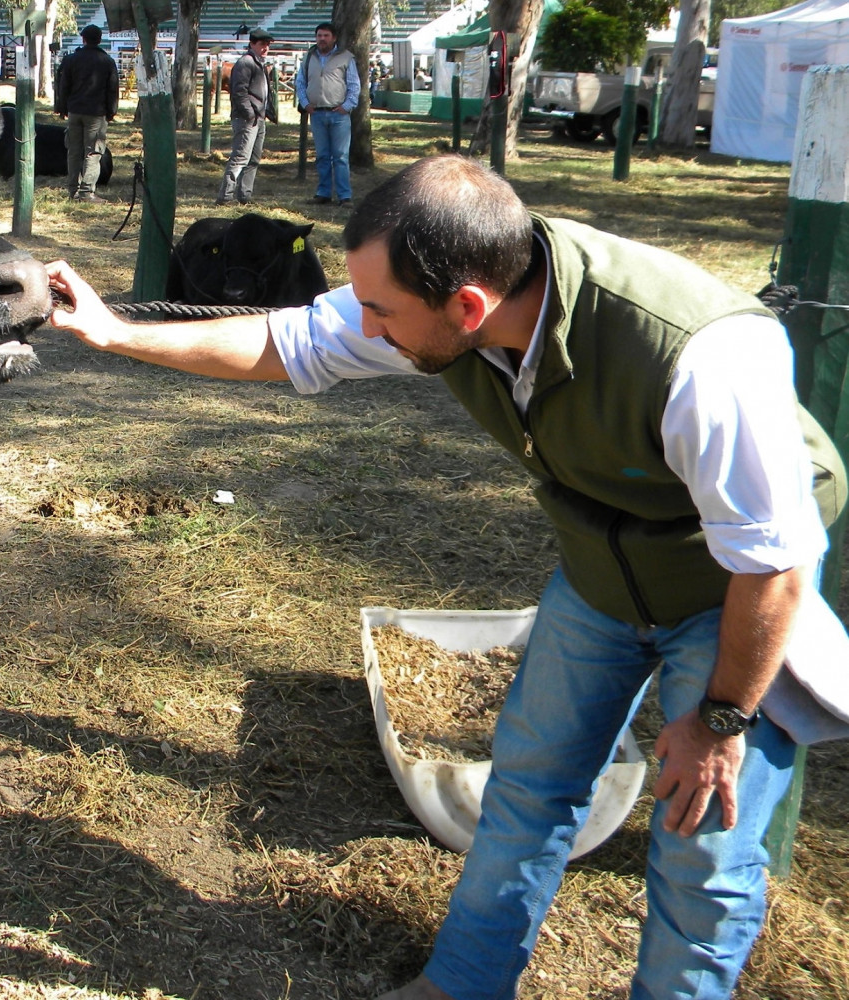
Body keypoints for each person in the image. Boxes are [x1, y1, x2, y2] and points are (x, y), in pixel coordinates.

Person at [45, 154, 849, 1000]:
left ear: (468, 306)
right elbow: (287, 342)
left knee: (704, 850)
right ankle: (462, 985)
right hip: (601, 575)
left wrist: (721, 719)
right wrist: (115, 332)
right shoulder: (458, 302)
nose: (366, 326)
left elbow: (775, 561)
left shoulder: (703, 357)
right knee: (526, 792)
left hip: (733, 592)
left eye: (380, 311)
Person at [295, 21, 361, 207]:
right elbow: (300, 82)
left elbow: (354, 85)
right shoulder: (309, 57)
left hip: (339, 115)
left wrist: (347, 106)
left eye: (326, 36)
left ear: (334, 38)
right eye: (319, 36)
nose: (322, 39)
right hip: (317, 114)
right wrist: (305, 103)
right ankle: (323, 193)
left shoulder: (346, 58)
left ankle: (344, 196)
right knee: (322, 156)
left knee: (340, 156)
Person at [54, 24, 119, 204]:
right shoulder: (107, 61)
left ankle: (73, 190)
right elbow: (112, 89)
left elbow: (62, 86)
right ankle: (86, 192)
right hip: (96, 114)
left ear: (83, 39)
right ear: (99, 40)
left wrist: (61, 107)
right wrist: (111, 112)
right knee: (92, 153)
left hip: (75, 111)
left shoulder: (71, 59)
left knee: (73, 152)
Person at [216, 28, 277, 206]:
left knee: (253, 159)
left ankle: (244, 195)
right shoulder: (246, 63)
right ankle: (226, 196)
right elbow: (239, 91)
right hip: (247, 118)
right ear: (252, 44)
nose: (265, 47)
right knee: (241, 157)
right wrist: (250, 113)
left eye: (267, 44)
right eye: (262, 44)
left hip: (258, 117)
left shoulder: (258, 63)